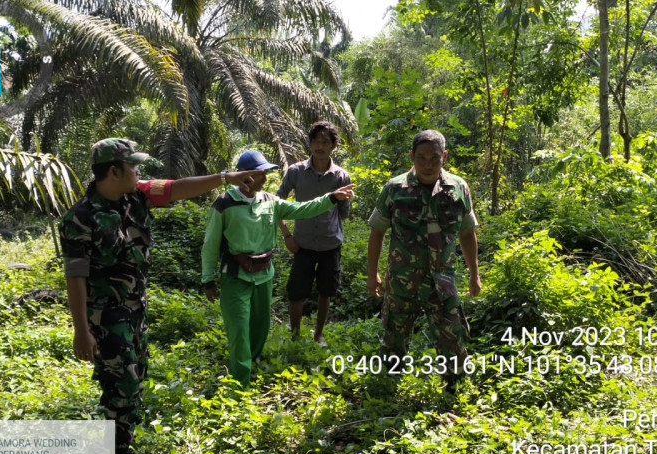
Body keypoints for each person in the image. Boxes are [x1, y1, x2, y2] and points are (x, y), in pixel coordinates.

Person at [60, 138, 261, 454]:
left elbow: (178, 188)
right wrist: (82, 331)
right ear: (113, 171)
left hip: (135, 308)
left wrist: (226, 177)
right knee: (120, 380)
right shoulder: (80, 218)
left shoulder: (136, 194)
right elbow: (75, 278)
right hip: (105, 314)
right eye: (133, 166)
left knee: (134, 374)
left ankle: (121, 438)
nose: (139, 171)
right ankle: (117, 453)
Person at [202, 150, 355, 388]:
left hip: (264, 274)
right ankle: (240, 384)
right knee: (240, 329)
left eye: (265, 174)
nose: (265, 179)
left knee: (261, 325)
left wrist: (331, 198)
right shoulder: (225, 203)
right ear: (245, 175)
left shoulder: (270, 201)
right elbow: (210, 244)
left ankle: (251, 362)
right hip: (235, 275)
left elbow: (303, 209)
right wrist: (208, 280)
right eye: (261, 174)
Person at [366, 130, 481, 382]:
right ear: (411, 156)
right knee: (394, 339)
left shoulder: (458, 188)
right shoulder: (395, 189)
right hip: (401, 283)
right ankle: (387, 389)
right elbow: (377, 233)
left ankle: (454, 391)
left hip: (442, 283)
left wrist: (474, 275)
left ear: (445, 156)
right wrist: (372, 274)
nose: (428, 165)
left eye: (435, 158)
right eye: (421, 158)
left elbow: (467, 233)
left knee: (453, 339)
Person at [276, 121, 352, 346]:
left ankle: (318, 335)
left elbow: (344, 212)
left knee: (326, 291)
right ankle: (295, 335)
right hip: (303, 243)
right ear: (310, 143)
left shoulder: (341, 176)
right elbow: (276, 204)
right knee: (297, 291)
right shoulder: (296, 172)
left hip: (331, 244)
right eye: (316, 141)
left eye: (325, 142)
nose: (320, 147)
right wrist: (287, 235)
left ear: (333, 146)